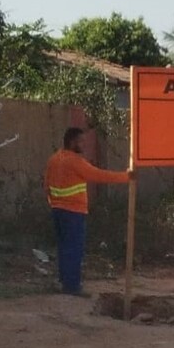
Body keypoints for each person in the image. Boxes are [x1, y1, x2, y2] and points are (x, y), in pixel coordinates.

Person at [43, 127, 133, 296]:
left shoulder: (54, 159)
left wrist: (53, 203)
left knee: (64, 248)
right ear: (72, 142)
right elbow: (98, 175)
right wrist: (126, 177)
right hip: (73, 212)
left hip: (58, 210)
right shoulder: (75, 162)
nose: (84, 144)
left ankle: (64, 282)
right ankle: (72, 286)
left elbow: (46, 185)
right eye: (81, 141)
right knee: (74, 249)